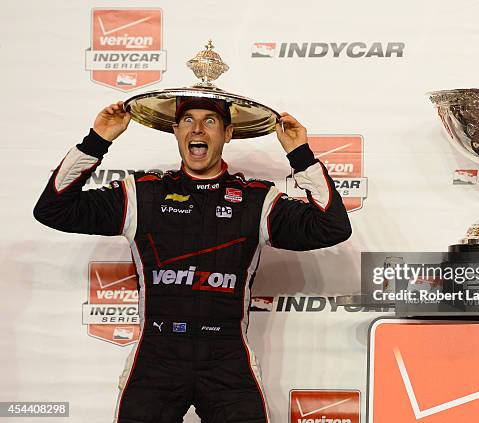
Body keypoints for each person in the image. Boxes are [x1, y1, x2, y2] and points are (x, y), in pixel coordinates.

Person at [33, 98, 352, 423]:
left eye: (210, 121)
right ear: (174, 130)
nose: (197, 129)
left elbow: (332, 227)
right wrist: (97, 140)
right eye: (187, 120)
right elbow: (53, 209)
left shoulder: (257, 199)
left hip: (227, 355)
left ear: (228, 133)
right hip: (157, 355)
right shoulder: (142, 194)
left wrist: (300, 155)